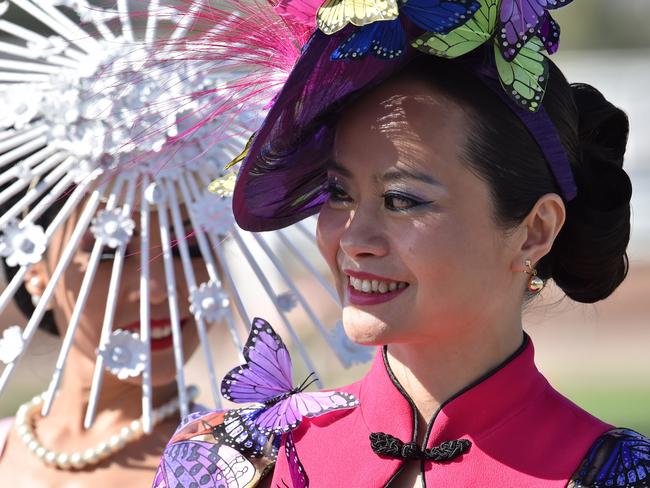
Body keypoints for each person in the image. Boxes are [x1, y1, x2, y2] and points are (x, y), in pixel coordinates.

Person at [153, 0, 650, 487]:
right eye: (339, 193)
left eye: (402, 199)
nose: (354, 239)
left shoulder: (615, 475)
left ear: (535, 229)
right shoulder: (233, 463)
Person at [0, 1, 349, 485]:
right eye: (109, 251)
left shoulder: (235, 471)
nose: (160, 290)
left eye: (190, 247)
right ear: (35, 267)